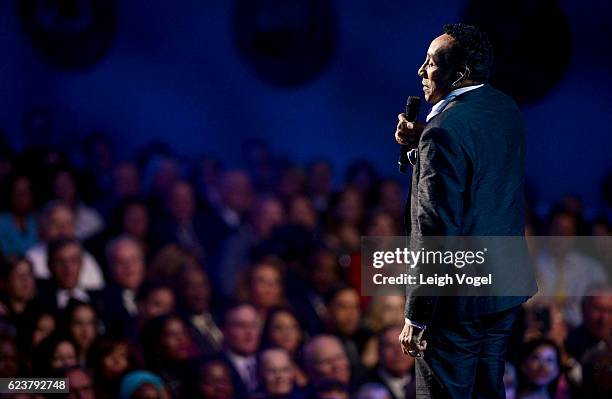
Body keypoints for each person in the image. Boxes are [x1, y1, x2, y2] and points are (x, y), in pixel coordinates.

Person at [395, 24, 537, 397]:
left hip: (453, 302)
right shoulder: (505, 108)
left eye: (431, 63)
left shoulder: (443, 131)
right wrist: (421, 148)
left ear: (458, 74)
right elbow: (479, 178)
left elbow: (436, 230)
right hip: (501, 289)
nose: (421, 72)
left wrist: (417, 314)